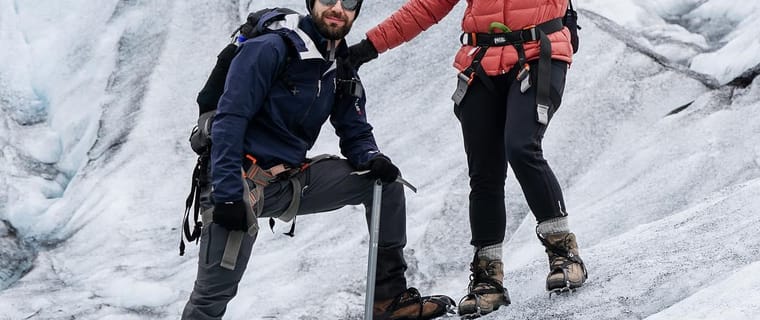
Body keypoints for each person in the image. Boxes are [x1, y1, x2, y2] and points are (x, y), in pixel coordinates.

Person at [180, 1, 455, 319]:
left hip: (290, 180)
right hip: (239, 182)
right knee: (212, 296)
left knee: (385, 186)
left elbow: (354, 128)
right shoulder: (270, 49)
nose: (338, 8)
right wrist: (228, 195)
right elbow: (229, 122)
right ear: (312, 3)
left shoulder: (340, 64)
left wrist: (372, 157)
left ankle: (388, 300)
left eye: (349, 2)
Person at [346, 0, 587, 317]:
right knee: (484, 171)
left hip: (539, 54)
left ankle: (564, 253)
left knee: (521, 145)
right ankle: (488, 279)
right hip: (482, 62)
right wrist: (368, 48)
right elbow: (426, 7)